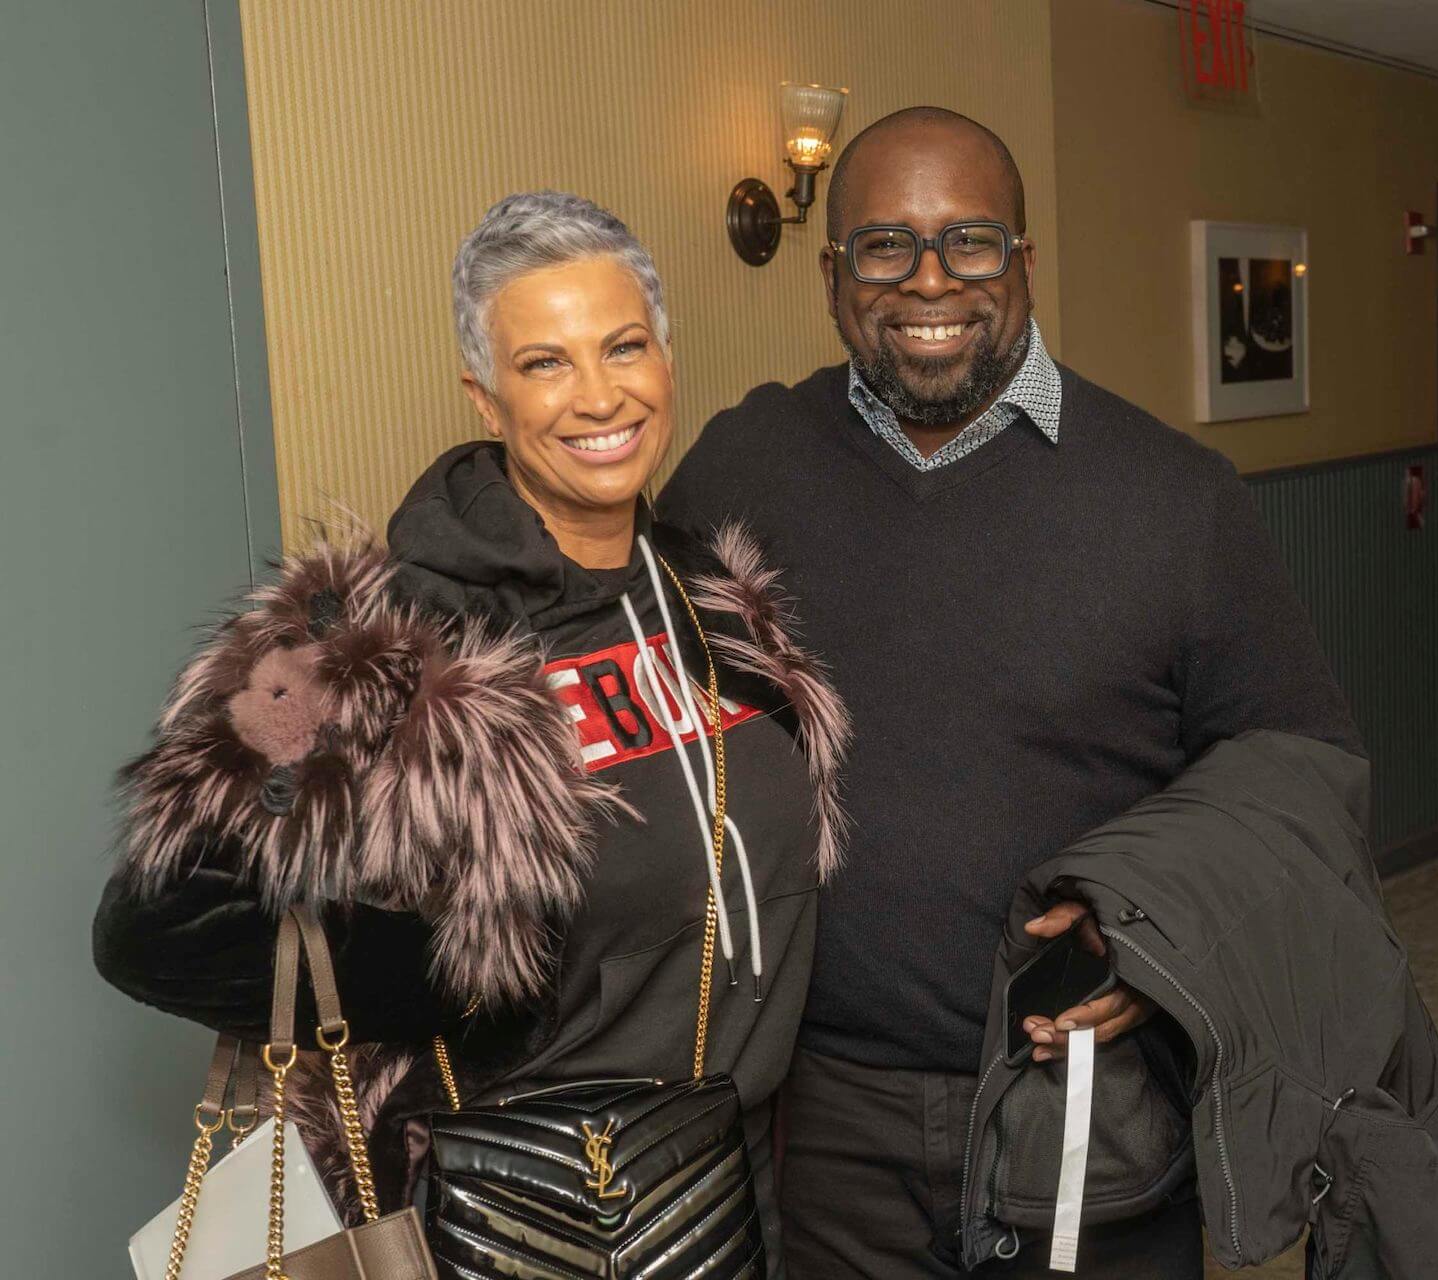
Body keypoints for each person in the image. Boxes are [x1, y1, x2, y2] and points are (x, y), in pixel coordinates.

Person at [658, 108, 1371, 1277]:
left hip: (1094, 1101)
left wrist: (1158, 936)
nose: (930, 279)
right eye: (884, 245)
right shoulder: (745, 471)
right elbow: (623, 687)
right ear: (833, 274)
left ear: (1025, 262)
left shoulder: (1175, 500)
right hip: (829, 1117)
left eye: (971, 242)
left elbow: (1301, 767)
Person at [94, 191, 847, 1276]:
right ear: (485, 397)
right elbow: (153, 918)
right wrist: (465, 973)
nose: (599, 395)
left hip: (723, 1197)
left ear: (667, 359)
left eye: (624, 345)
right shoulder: (378, 639)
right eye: (545, 363)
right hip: (515, 1215)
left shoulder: (710, 597)